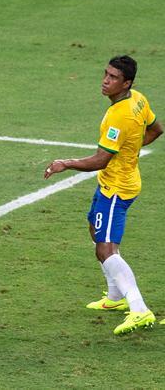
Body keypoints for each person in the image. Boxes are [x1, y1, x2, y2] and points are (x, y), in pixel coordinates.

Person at [44, 55, 163, 334]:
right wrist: (130, 150)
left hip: (117, 188)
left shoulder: (118, 115)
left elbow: (100, 160)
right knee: (94, 228)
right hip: (116, 182)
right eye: (106, 74)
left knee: (105, 249)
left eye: (113, 77)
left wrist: (66, 163)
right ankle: (115, 296)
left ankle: (139, 309)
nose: (105, 81)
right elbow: (156, 129)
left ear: (126, 83)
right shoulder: (139, 99)